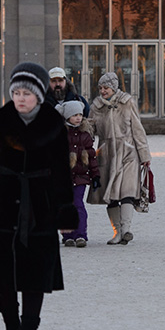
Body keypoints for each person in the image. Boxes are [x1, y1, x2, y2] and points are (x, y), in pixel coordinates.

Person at [0, 62, 77, 330]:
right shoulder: (1, 120)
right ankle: (11, 324)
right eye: (15, 92)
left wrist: (65, 209)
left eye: (26, 93)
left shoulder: (53, 125)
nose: (20, 98)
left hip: (40, 206)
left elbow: (60, 172)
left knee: (35, 273)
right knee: (0, 270)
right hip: (3, 203)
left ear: (39, 96)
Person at [87, 72, 151, 245]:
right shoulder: (96, 106)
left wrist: (144, 155)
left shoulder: (127, 102)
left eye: (106, 87)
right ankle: (117, 232)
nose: (102, 91)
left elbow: (138, 129)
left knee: (127, 191)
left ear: (113, 87)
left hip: (128, 152)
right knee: (110, 195)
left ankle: (126, 229)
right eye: (100, 88)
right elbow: (90, 131)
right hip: (106, 153)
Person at [56, 100, 99, 248]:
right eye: (75, 115)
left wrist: (95, 176)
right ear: (67, 116)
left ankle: (81, 235)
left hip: (81, 176)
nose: (78, 118)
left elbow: (92, 156)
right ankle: (68, 235)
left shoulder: (85, 135)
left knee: (78, 205)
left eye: (80, 114)